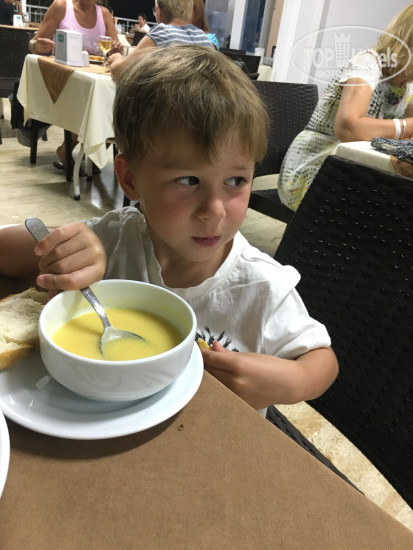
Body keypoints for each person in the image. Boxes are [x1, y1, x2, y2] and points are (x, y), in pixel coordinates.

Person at [0, 45, 338, 413]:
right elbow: (6, 249)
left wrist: (292, 380)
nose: (214, 211)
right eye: (189, 180)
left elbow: (323, 362)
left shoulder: (260, 285)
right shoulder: (117, 238)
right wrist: (67, 245)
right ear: (130, 179)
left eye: (236, 180)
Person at [278, 3, 413, 212]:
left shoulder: (407, 83)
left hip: (358, 167)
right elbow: (348, 128)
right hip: (316, 166)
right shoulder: (368, 64)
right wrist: (406, 125)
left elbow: (406, 137)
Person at [27, 0, 123, 173]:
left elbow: (116, 52)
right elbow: (33, 44)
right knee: (91, 102)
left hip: (92, 80)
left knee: (112, 102)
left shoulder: (104, 14)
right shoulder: (61, 7)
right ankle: (69, 151)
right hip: (63, 81)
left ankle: (90, 153)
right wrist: (38, 46)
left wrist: (118, 51)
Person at [108, 0, 212, 80]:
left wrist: (117, 59)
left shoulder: (161, 33)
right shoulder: (204, 38)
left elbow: (121, 72)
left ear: (158, 11)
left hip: (164, 100)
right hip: (196, 101)